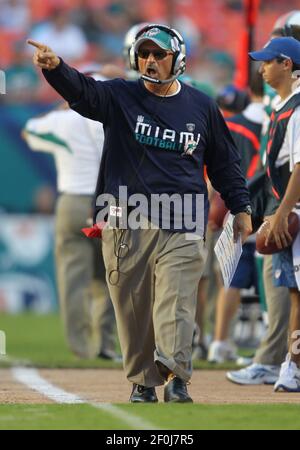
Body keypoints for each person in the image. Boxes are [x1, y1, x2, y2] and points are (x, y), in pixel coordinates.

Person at [27, 23, 252, 403]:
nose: (150, 61)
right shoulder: (118, 95)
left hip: (184, 218)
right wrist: (55, 68)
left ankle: (177, 375)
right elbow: (83, 92)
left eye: (159, 54)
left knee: (177, 299)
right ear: (135, 58)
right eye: (144, 54)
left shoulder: (201, 105)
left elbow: (225, 164)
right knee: (131, 308)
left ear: (176, 60)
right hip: (126, 220)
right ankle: (144, 382)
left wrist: (241, 206)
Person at [22, 68, 119, 361]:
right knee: (111, 277)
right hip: (109, 202)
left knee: (73, 280)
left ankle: (80, 348)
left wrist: (62, 104)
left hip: (73, 200)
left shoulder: (62, 120)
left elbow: (30, 131)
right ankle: (105, 344)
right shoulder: (116, 114)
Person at [248, 36, 300, 392]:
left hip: (294, 211)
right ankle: (290, 364)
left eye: (268, 61)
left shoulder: (297, 109)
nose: (261, 67)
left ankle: (291, 367)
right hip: (285, 207)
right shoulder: (283, 108)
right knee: (295, 293)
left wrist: (281, 213)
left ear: (287, 64)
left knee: (296, 293)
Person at [208, 72, 264, 363]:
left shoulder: (229, 125)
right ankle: (271, 350)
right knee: (273, 284)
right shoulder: (271, 120)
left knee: (230, 280)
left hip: (231, 209)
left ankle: (219, 341)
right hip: (263, 210)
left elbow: (212, 170)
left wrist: (211, 205)